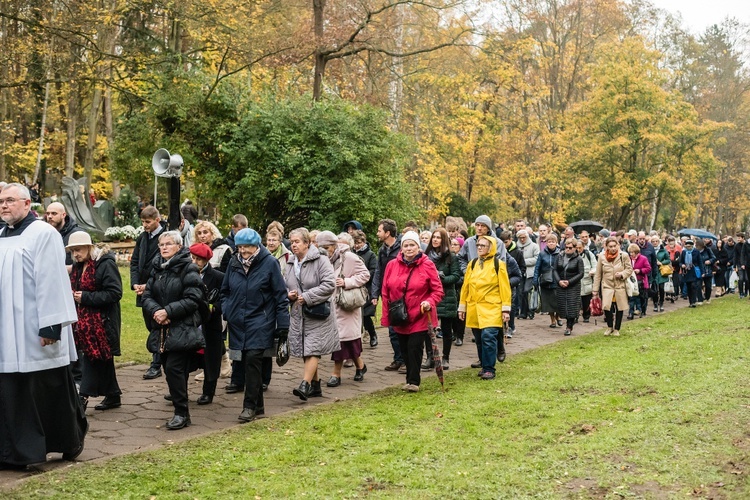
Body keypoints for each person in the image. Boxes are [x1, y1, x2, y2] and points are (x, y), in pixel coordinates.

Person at [0, 183, 87, 467]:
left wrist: (51, 326)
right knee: (12, 391)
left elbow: (51, 280)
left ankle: (68, 440)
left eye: (10, 200)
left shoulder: (43, 233)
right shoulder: (1, 236)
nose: (4, 206)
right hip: (6, 331)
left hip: (36, 329)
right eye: (1, 201)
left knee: (47, 390)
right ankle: (16, 452)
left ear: (27, 204)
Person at [221, 229, 289, 422]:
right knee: (245, 362)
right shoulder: (234, 263)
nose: (243, 251)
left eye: (247, 247)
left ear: (257, 246)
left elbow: (280, 297)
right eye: (240, 247)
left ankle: (249, 406)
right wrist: (227, 310)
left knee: (252, 360)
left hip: (261, 320)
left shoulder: (270, 263)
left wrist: (283, 325)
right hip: (238, 321)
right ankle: (258, 406)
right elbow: (225, 290)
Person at [142, 231, 206, 430]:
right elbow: (147, 295)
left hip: (182, 327)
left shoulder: (188, 268)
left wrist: (168, 311)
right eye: (161, 244)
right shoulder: (157, 268)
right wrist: (157, 312)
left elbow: (194, 298)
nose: (163, 247)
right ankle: (180, 409)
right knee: (167, 367)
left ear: (179, 247)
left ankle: (182, 413)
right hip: (161, 328)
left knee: (174, 368)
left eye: (168, 244)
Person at [381, 231, 444, 391]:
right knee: (403, 349)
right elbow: (385, 290)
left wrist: (429, 302)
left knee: (414, 347)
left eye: (412, 245)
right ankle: (409, 378)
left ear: (418, 247)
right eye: (406, 245)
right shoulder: (392, 265)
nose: (409, 248)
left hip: (420, 314)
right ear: (401, 248)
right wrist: (386, 315)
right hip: (400, 315)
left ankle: (414, 382)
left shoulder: (427, 264)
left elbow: (438, 291)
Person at [68, 232, 123, 412]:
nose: (75, 254)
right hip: (84, 323)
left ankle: (82, 398)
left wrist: (86, 297)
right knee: (102, 359)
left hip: (102, 322)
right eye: (72, 251)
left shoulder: (105, 264)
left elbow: (115, 293)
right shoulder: (78, 266)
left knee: (93, 359)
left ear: (89, 247)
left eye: (78, 249)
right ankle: (113, 394)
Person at [285, 228, 339, 401]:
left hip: (318, 313)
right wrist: (289, 294)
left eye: (297, 242)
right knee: (304, 349)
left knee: (313, 349)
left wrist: (307, 297)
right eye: (291, 242)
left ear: (307, 243)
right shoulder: (290, 262)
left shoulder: (321, 260)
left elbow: (329, 284)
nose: (293, 245)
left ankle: (305, 385)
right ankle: (316, 385)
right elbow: (285, 284)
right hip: (299, 314)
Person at [314, 231, 370, 387]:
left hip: (347, 305)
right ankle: (361, 366)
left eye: (326, 247)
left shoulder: (349, 257)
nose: (324, 250)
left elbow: (365, 275)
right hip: (331, 306)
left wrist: (347, 282)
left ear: (334, 245)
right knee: (348, 341)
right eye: (321, 247)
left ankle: (336, 374)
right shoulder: (323, 259)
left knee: (341, 341)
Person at [458, 235, 511, 380]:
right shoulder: (472, 264)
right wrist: (462, 307)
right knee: (479, 338)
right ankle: (484, 364)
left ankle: (489, 368)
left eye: (483, 245)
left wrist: (505, 309)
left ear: (491, 247)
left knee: (488, 336)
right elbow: (466, 286)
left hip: (492, 307)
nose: (479, 247)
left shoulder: (498, 264)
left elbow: (505, 288)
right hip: (474, 307)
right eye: (478, 245)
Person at [130, 206, 168, 380]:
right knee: (149, 324)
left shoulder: (166, 238)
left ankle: (157, 363)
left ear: (157, 220)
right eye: (143, 222)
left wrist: (149, 284)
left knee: (158, 325)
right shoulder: (142, 238)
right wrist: (135, 283)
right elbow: (135, 261)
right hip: (143, 290)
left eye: (148, 222)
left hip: (159, 288)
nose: (144, 225)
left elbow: (165, 265)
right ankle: (158, 357)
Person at [188, 243, 225, 406]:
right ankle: (178, 389)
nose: (194, 261)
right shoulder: (185, 274)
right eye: (192, 258)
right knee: (185, 358)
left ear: (206, 260)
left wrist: (214, 308)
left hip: (210, 324)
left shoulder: (218, 277)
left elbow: (224, 298)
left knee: (211, 360)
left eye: (199, 259)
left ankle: (208, 392)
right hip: (189, 323)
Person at [422, 227, 462, 370]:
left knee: (446, 329)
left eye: (438, 237)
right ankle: (430, 357)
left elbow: (456, 276)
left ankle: (445, 357)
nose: (435, 240)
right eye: (434, 237)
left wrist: (441, 279)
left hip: (446, 297)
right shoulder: (425, 256)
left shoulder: (451, 257)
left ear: (444, 240)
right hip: (429, 296)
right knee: (428, 328)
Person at [370, 218, 404, 372]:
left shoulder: (402, 248)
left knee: (402, 326)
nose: (377, 233)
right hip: (387, 294)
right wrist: (375, 293)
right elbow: (378, 272)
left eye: (379, 230)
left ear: (388, 232)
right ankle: (398, 359)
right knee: (391, 329)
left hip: (401, 294)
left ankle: (406, 360)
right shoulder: (383, 250)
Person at [592, 236, 633, 336]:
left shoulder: (624, 256)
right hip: (607, 286)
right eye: (611, 246)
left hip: (620, 286)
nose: (613, 248)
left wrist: (622, 274)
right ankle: (609, 326)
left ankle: (617, 329)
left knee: (620, 307)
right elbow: (598, 274)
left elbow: (629, 269)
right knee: (607, 307)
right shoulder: (601, 257)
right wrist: (595, 289)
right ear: (606, 247)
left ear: (618, 246)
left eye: (615, 246)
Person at [553, 238, 584, 336]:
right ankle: (568, 321)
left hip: (573, 285)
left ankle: (569, 326)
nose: (568, 249)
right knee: (563, 305)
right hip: (561, 284)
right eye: (566, 247)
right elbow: (555, 270)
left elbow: (581, 273)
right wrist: (559, 281)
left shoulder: (578, 259)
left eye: (570, 247)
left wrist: (569, 282)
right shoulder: (559, 256)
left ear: (575, 248)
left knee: (572, 305)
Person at [353, 230, 378, 348]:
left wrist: (363, 276)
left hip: (367, 288)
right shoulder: (351, 253)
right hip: (354, 287)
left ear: (364, 242)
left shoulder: (371, 255)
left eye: (359, 242)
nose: (357, 245)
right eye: (355, 243)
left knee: (366, 315)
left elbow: (374, 270)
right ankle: (358, 338)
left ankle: (372, 334)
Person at [499, 231, 525, 337]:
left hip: (511, 284)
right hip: (499, 285)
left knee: (511, 306)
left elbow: (521, 269)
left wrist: (510, 282)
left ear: (510, 240)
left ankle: (510, 326)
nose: (504, 245)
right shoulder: (497, 254)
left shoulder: (516, 253)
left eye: (506, 242)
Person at [533, 233, 562, 328]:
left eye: (553, 242)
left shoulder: (560, 253)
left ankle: (558, 317)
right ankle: (552, 320)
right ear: (546, 243)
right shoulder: (542, 254)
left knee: (557, 301)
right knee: (548, 302)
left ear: (556, 243)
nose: (551, 244)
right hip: (545, 280)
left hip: (557, 280)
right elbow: (537, 267)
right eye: (549, 242)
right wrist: (535, 279)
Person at [45, 201, 86, 267]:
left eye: (54, 213)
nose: (49, 216)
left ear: (63, 215)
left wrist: (72, 268)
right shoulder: (45, 234)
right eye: (47, 214)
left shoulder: (77, 234)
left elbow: (88, 259)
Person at [516, 229, 539, 320]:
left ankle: (531, 310)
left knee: (527, 291)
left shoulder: (534, 246)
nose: (522, 239)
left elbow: (537, 258)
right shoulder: (516, 246)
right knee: (521, 293)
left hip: (530, 273)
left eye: (524, 237)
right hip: (520, 272)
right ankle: (523, 312)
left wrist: (523, 262)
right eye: (520, 238)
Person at [627, 243, 652, 320]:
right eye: (630, 252)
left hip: (641, 281)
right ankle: (631, 313)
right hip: (631, 281)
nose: (631, 254)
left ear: (637, 252)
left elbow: (648, 268)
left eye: (633, 252)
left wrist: (640, 270)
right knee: (631, 298)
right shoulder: (628, 259)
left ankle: (641, 311)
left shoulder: (643, 258)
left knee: (640, 297)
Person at [577, 239, 597, 322]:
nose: (578, 250)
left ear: (583, 247)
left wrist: (592, 271)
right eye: (576, 248)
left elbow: (595, 265)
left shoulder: (589, 254)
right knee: (575, 301)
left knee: (586, 301)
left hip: (586, 281)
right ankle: (575, 316)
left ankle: (586, 316)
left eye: (580, 248)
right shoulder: (572, 255)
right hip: (576, 282)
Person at [680, 239, 705, 307]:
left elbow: (700, 262)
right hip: (687, 272)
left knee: (693, 286)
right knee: (688, 287)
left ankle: (694, 301)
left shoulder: (696, 252)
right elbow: (680, 261)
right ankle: (690, 302)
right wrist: (682, 265)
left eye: (689, 246)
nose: (688, 248)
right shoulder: (684, 252)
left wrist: (702, 272)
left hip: (694, 271)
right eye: (687, 246)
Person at [652, 236, 672, 312]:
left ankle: (661, 303)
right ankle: (655, 304)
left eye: (656, 241)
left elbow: (668, 260)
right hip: (653, 271)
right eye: (653, 241)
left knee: (661, 288)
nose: (655, 243)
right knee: (654, 289)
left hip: (661, 271)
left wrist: (661, 263)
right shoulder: (650, 250)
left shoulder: (663, 250)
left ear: (659, 242)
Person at [695, 239, 716, 304]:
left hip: (707, 270)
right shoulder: (695, 251)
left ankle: (707, 297)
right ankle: (700, 299)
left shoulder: (708, 250)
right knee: (698, 285)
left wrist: (710, 261)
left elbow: (713, 257)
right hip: (699, 270)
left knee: (708, 286)